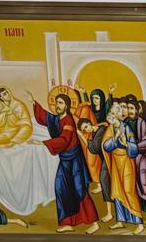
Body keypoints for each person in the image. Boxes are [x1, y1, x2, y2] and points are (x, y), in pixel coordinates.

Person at [30, 88, 100, 231]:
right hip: (65, 161)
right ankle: (67, 223)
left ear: (67, 106)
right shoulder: (56, 119)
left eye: (61, 103)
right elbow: (46, 117)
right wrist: (34, 103)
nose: (58, 105)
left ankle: (94, 223)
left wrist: (43, 143)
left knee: (79, 190)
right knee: (60, 188)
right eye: (57, 103)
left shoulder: (68, 120)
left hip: (74, 161)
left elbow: (64, 140)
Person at [88, 99, 146, 231]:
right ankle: (120, 220)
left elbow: (133, 148)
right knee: (116, 190)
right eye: (110, 113)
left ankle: (139, 222)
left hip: (126, 162)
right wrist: (115, 140)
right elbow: (105, 146)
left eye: (113, 114)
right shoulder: (109, 129)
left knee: (128, 190)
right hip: (115, 162)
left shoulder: (126, 127)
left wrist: (126, 144)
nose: (111, 115)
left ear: (118, 115)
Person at [130, 96, 146, 219]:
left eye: (132, 108)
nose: (130, 111)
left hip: (142, 160)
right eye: (128, 108)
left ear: (136, 110)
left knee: (145, 185)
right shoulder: (126, 123)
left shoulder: (141, 122)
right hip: (131, 159)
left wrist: (133, 146)